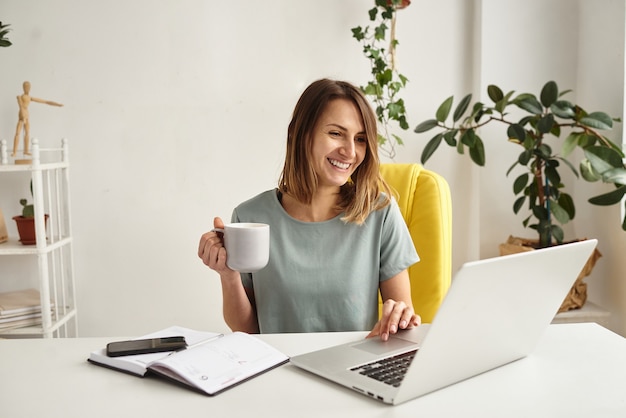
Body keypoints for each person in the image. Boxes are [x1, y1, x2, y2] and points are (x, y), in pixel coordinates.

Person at [198, 78, 420, 341]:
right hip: (278, 370)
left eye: (360, 139)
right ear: (301, 134)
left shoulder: (380, 214)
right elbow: (248, 331)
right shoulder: (249, 218)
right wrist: (228, 274)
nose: (350, 151)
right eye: (336, 133)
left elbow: (403, 325)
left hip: (349, 371)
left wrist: (398, 320)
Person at [12, 81, 63, 157]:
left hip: (27, 114)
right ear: (23, 88)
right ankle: (14, 152)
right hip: (22, 114)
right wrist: (23, 117)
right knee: (17, 133)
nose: (28, 89)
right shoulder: (19, 97)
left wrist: (57, 104)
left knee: (27, 133)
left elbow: (45, 101)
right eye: (26, 87)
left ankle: (26, 150)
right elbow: (21, 106)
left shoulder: (30, 97)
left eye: (29, 87)